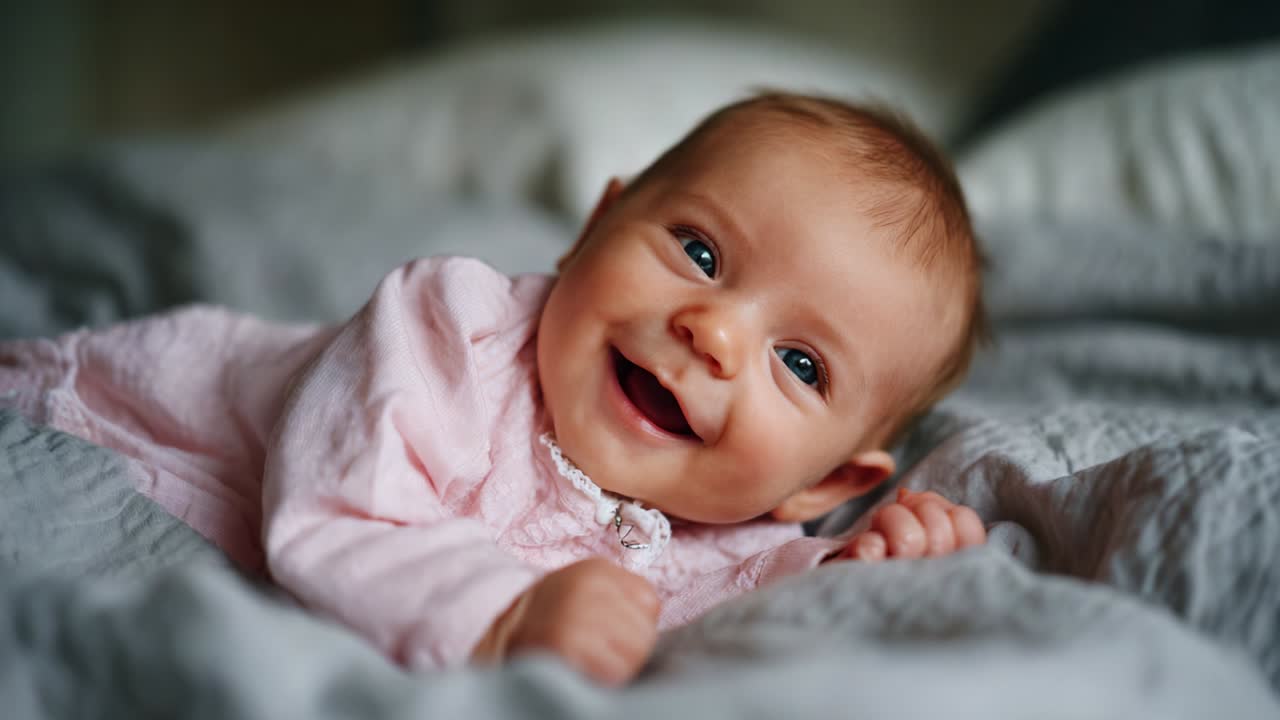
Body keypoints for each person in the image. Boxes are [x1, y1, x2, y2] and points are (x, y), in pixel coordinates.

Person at [0, 92, 988, 687]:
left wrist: (866, 569)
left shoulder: (746, 540)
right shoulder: (450, 327)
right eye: (696, 250)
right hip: (106, 438)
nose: (717, 331)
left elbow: (751, 612)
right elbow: (343, 506)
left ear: (818, 485)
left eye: (801, 364)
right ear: (595, 225)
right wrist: (502, 620)